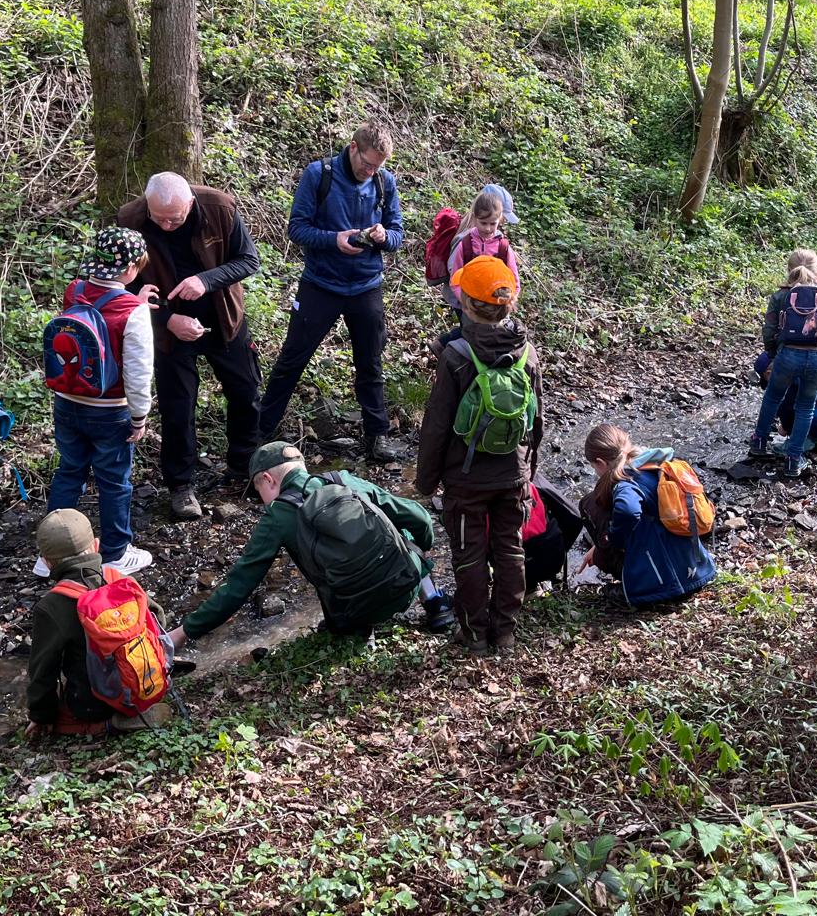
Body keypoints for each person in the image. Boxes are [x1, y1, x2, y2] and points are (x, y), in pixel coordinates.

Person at [168, 442, 455, 645]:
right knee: (396, 527)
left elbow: (238, 587)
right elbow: (419, 517)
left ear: (268, 479)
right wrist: (421, 555)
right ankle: (434, 602)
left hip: (351, 613)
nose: (262, 500)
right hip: (405, 585)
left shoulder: (277, 515)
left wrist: (184, 632)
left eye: (259, 491)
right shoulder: (343, 481)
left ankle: (358, 629)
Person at [416, 255, 543, 654]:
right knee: (510, 550)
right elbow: (537, 418)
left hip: (466, 480)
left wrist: (426, 481)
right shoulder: (528, 353)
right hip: (512, 475)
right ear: (511, 303)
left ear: (466, 305)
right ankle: (504, 633)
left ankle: (474, 635)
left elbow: (436, 425)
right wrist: (529, 468)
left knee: (468, 555)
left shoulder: (455, 355)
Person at [118, 172, 262, 521]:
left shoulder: (220, 208)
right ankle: (181, 486)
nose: (167, 226)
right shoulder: (131, 220)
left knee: (245, 392)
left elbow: (248, 260)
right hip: (169, 329)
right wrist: (167, 320)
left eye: (176, 219)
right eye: (160, 218)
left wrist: (205, 280)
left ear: (191, 205)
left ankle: (245, 466)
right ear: (148, 206)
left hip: (223, 317)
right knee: (177, 407)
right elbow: (124, 287)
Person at [258, 125, 405, 464]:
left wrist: (384, 237)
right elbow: (297, 228)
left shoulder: (385, 182)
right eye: (367, 164)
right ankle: (259, 431)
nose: (371, 172)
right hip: (320, 283)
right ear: (353, 148)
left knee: (370, 363)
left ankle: (377, 436)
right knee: (292, 359)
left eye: (377, 167)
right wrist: (335, 239)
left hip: (366, 285)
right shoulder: (319, 174)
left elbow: (398, 233)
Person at [42, 226, 156, 576]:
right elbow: (137, 374)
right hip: (110, 411)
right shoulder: (134, 313)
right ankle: (116, 553)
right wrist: (140, 417)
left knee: (69, 472)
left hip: (67, 401)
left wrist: (136, 301)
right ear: (133, 268)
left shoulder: (74, 291)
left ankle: (49, 556)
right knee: (114, 480)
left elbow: (96, 312)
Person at [26, 508, 169, 738]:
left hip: (93, 706)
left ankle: (105, 724)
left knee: (62, 716)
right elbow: (158, 618)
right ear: (95, 545)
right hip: (144, 683)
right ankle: (140, 700)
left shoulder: (51, 607)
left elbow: (42, 672)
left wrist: (40, 716)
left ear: (47, 562)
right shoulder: (122, 580)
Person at [579, 425, 717, 607]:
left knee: (589, 503)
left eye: (594, 467)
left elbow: (628, 511)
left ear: (600, 463)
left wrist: (614, 539)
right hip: (698, 570)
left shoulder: (626, 482)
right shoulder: (655, 464)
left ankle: (641, 584)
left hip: (665, 586)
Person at [747, 249, 817, 478]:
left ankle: (759, 442)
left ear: (788, 269)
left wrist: (773, 353)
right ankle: (793, 459)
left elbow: (769, 329)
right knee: (806, 406)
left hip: (787, 355)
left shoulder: (781, 296)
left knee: (773, 396)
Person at [442, 186, 522, 330]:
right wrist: (469, 305)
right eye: (484, 223)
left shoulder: (502, 247)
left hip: (494, 309)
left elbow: (513, 279)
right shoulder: (465, 242)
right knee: (469, 334)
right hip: (468, 307)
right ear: (476, 217)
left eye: (493, 224)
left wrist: (506, 303)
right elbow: (454, 276)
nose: (488, 228)